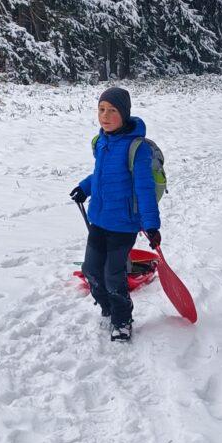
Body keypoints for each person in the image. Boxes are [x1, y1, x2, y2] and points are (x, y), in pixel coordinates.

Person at [70, 87, 161, 343]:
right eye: (101, 110)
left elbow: (144, 189)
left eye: (112, 111)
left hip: (123, 224)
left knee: (113, 274)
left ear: (124, 114)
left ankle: (122, 320)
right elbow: (100, 176)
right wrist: (84, 187)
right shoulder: (101, 142)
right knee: (91, 270)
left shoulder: (136, 148)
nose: (105, 116)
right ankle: (108, 307)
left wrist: (151, 225)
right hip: (98, 219)